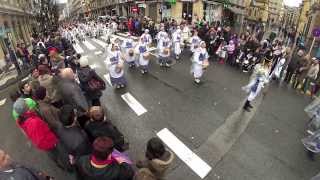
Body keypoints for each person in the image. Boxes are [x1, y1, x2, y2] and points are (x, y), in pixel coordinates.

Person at [14, 98, 70, 170]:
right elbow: (42, 137)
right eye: (25, 103)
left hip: (42, 143)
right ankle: (67, 167)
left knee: (52, 154)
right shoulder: (34, 122)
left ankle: (58, 163)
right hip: (49, 142)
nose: (26, 102)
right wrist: (54, 141)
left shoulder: (21, 120)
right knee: (60, 154)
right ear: (25, 107)